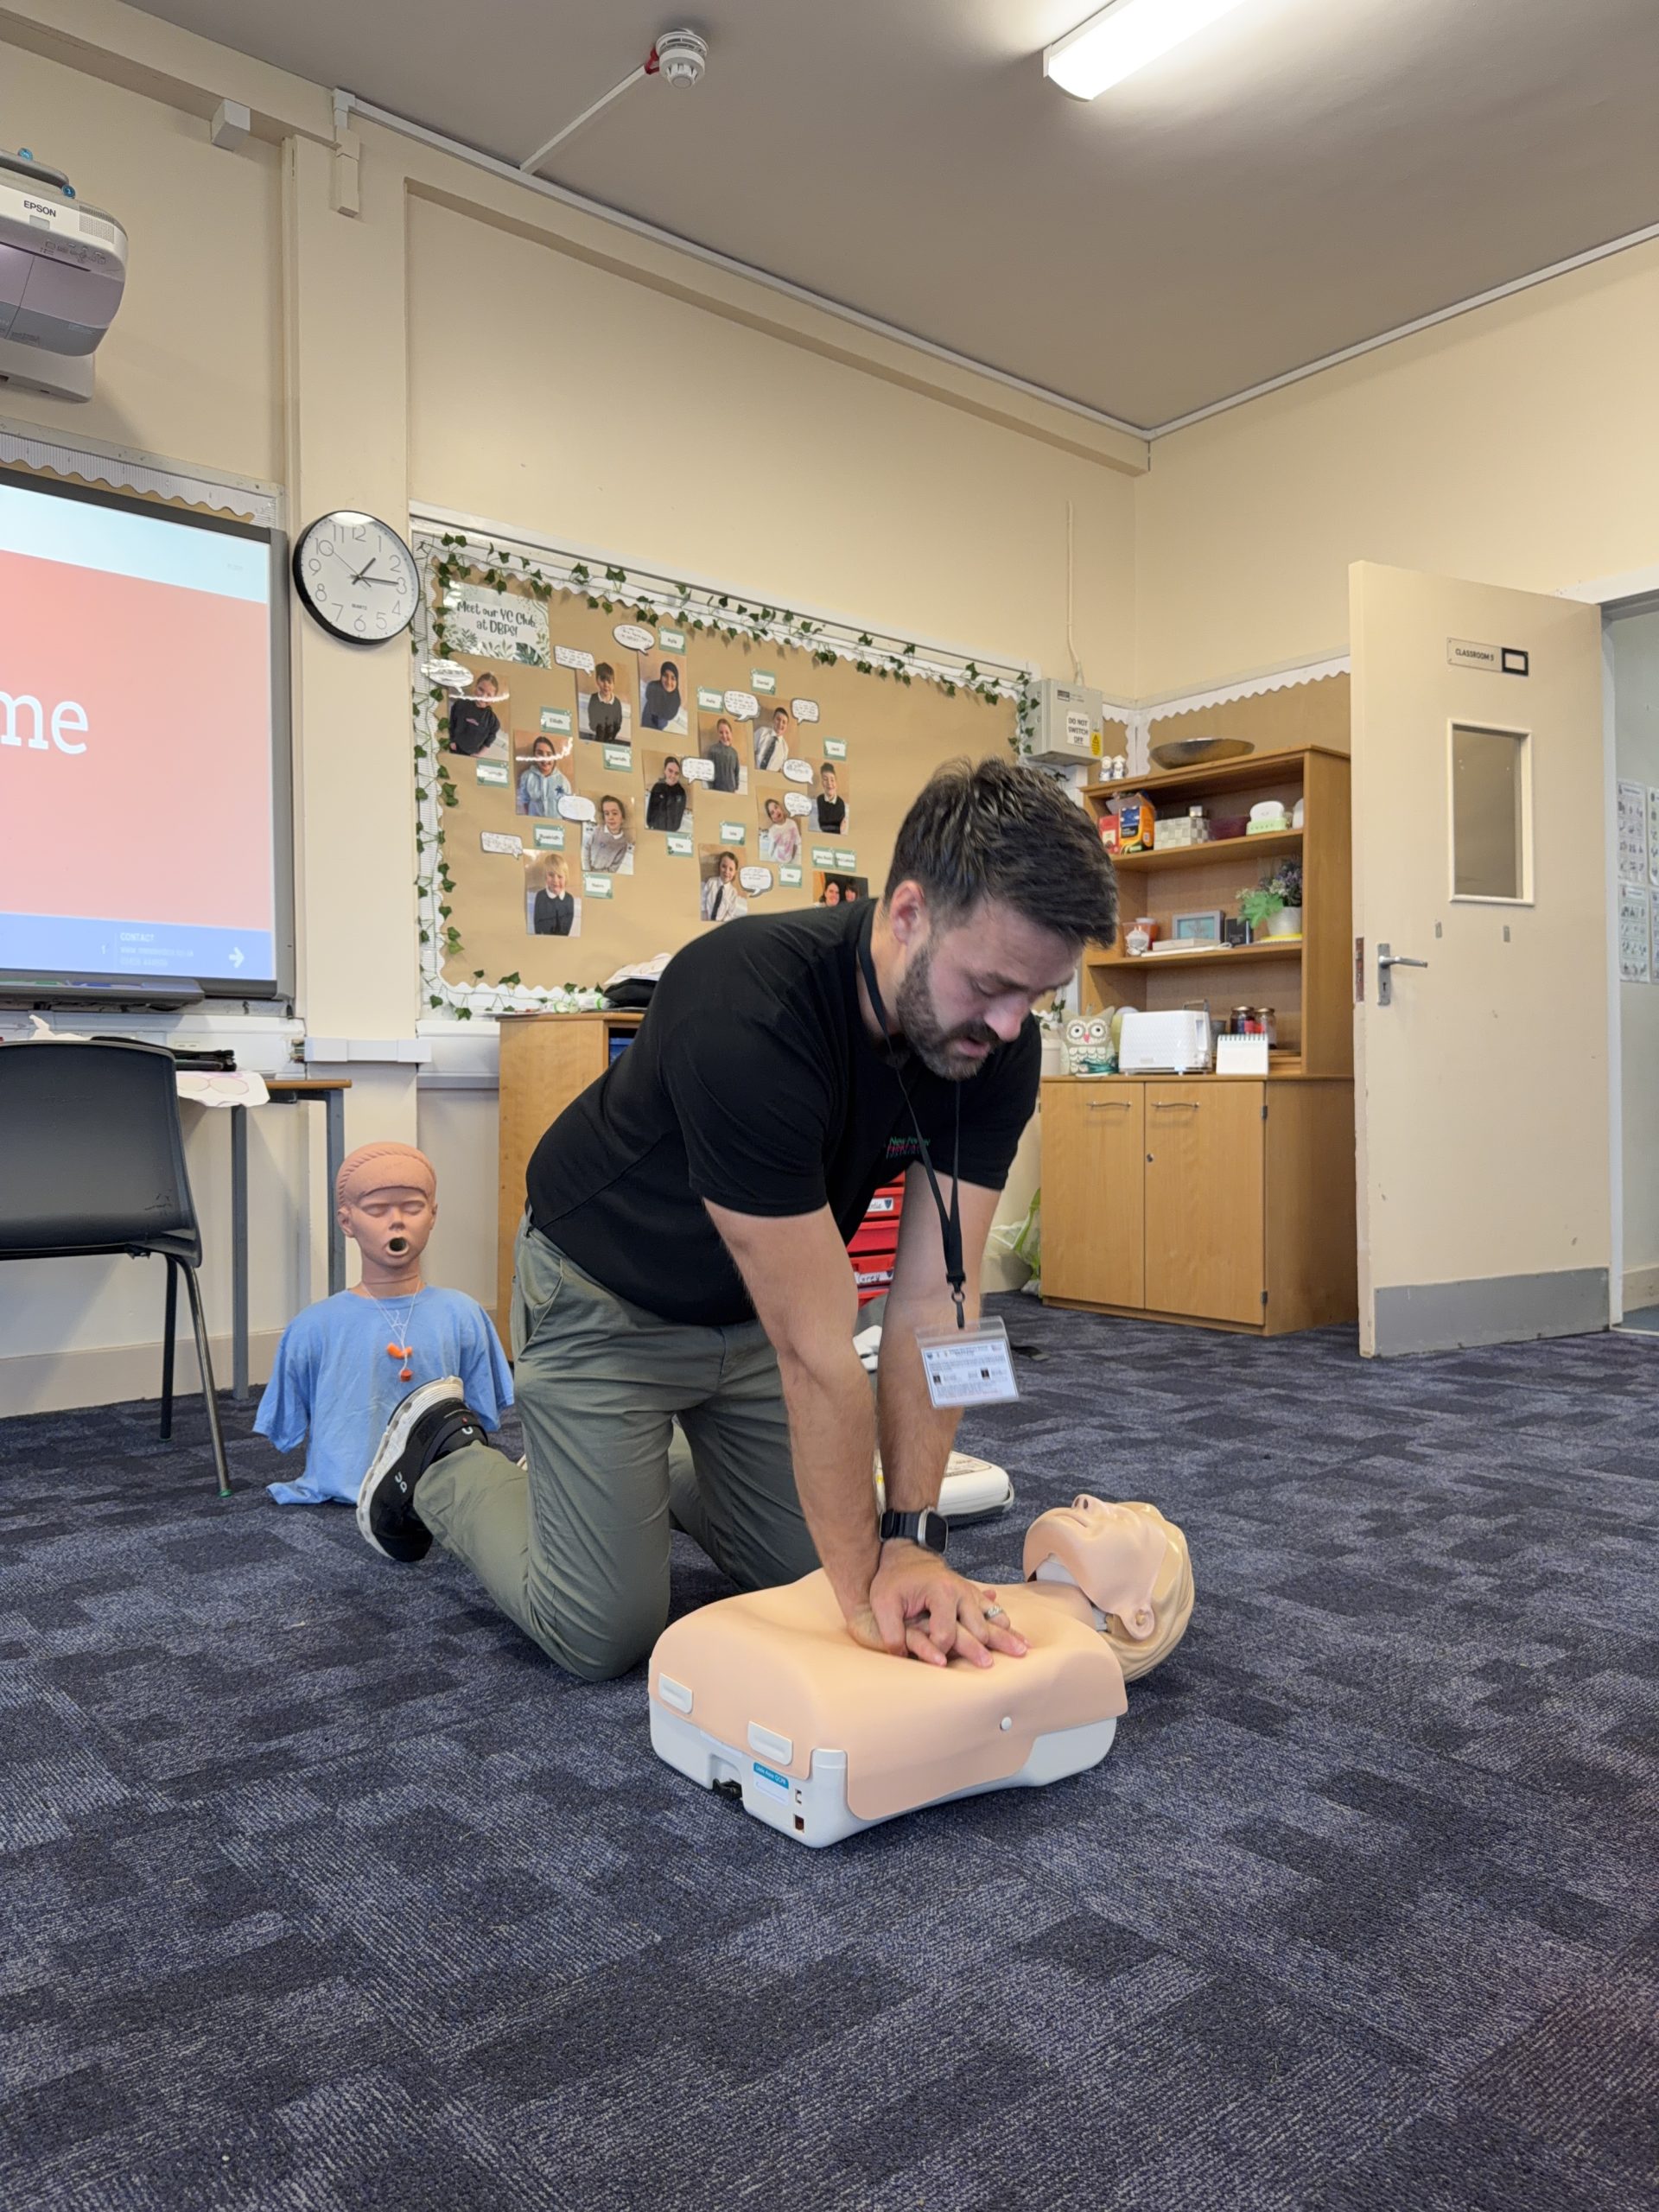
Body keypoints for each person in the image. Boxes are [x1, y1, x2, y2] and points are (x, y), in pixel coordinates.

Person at [356, 755, 1118, 1686]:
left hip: (752, 1318)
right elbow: (819, 1350)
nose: (1007, 1027)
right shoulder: (749, 1006)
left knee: (811, 1574)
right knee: (606, 1630)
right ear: (910, 913)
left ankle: (649, 1465)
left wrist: (912, 1540)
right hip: (609, 1294)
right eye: (990, 984)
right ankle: (440, 1449)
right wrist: (866, 1598)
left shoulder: (997, 1044)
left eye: (1033, 998)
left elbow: (935, 1302)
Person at [257, 1144, 512, 1506]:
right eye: (377, 1209)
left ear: (433, 1215)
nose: (397, 1220)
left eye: (412, 1208)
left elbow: (481, 1416)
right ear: (347, 1221)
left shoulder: (463, 1315)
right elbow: (285, 1425)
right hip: (349, 1492)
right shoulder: (313, 1327)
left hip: (443, 1494)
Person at [447, 673, 502, 757]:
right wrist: (451, 740)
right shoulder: (460, 704)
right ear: (475, 687)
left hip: (471, 754)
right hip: (454, 747)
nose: (483, 696)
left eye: (489, 695)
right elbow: (451, 723)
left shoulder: (493, 721)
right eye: (481, 690)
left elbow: (488, 742)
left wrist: (479, 755)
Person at [516, 734, 572, 817]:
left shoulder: (563, 781)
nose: (545, 758)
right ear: (534, 755)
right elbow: (524, 802)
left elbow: (568, 808)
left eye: (549, 754)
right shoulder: (527, 777)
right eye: (540, 753)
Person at [583, 794, 632, 874]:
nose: (610, 817)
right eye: (607, 813)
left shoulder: (623, 844)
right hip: (587, 870)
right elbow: (587, 848)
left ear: (622, 818)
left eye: (615, 813)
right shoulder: (598, 830)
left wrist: (597, 874)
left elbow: (613, 868)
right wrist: (587, 869)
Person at [700, 849, 747, 924]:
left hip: (720, 924)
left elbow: (730, 913)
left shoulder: (733, 892)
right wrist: (704, 917)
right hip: (706, 919)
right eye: (724, 866)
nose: (727, 871)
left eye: (731, 869)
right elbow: (703, 899)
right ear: (719, 866)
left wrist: (721, 924)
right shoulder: (711, 882)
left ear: (735, 872)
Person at [641, 658, 685, 733]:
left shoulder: (676, 701)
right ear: (661, 675)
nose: (668, 681)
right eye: (665, 675)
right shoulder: (652, 688)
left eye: (673, 678)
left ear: (677, 681)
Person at [646, 756, 690, 833]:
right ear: (665, 771)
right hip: (655, 830)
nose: (673, 776)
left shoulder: (681, 792)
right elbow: (651, 810)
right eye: (670, 771)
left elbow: (678, 815)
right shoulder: (657, 787)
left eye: (676, 773)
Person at [532, 859, 575, 936]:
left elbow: (566, 930)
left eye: (560, 876)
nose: (555, 880)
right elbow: (537, 925)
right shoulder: (540, 896)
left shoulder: (569, 899)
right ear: (545, 876)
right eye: (551, 875)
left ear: (566, 879)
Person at [586, 663, 624, 744]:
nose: (606, 685)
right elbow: (592, 720)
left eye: (609, 682)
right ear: (597, 681)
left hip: (611, 740)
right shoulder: (594, 699)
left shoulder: (617, 703)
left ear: (613, 684)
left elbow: (618, 724)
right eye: (603, 681)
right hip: (598, 738)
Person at [758, 796, 799, 866]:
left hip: (789, 860)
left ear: (780, 807)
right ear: (772, 819)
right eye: (772, 812)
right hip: (777, 859)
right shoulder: (772, 831)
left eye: (776, 807)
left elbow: (796, 842)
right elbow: (771, 848)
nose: (776, 812)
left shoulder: (792, 824)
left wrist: (793, 857)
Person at [706, 716, 741, 794]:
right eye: (721, 732)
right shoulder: (713, 750)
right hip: (716, 790)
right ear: (718, 733)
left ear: (731, 733)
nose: (724, 736)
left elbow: (737, 772)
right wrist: (711, 789)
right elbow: (708, 772)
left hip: (731, 791)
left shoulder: (734, 752)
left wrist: (736, 787)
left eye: (727, 732)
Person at [753, 706, 791, 773]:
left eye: (784, 722)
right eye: (778, 719)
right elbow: (750, 750)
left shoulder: (785, 748)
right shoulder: (762, 732)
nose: (780, 724)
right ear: (773, 719)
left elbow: (780, 770)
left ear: (786, 726)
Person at [814, 764, 848, 834]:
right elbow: (822, 826)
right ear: (822, 783)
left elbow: (838, 830)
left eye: (832, 780)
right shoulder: (819, 799)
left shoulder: (841, 804)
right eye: (825, 779)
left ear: (836, 783)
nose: (829, 783)